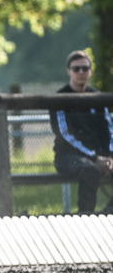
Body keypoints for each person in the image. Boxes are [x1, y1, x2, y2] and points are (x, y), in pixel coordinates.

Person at [50, 50, 113, 215]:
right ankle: (85, 218)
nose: (81, 73)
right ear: (68, 71)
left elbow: (108, 130)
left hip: (98, 155)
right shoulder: (59, 98)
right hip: (68, 157)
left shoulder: (98, 98)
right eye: (76, 69)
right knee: (89, 171)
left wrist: (109, 156)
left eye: (85, 68)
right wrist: (94, 158)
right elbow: (65, 135)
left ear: (91, 71)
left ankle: (108, 214)